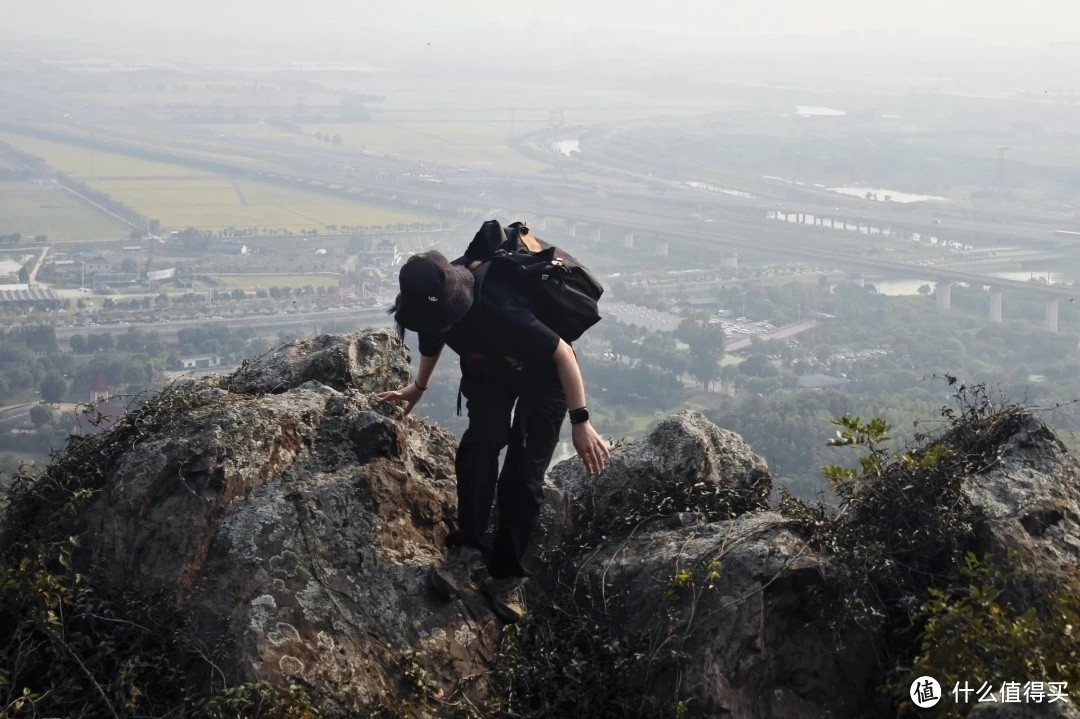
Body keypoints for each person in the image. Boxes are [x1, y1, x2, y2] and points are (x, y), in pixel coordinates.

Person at [377, 249, 609, 623]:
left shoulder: (499, 304)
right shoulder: (432, 303)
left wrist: (580, 421)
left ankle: (507, 574)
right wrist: (418, 387)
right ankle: (468, 549)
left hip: (544, 373)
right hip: (489, 367)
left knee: (523, 471)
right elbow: (433, 339)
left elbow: (563, 354)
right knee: (479, 446)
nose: (437, 322)